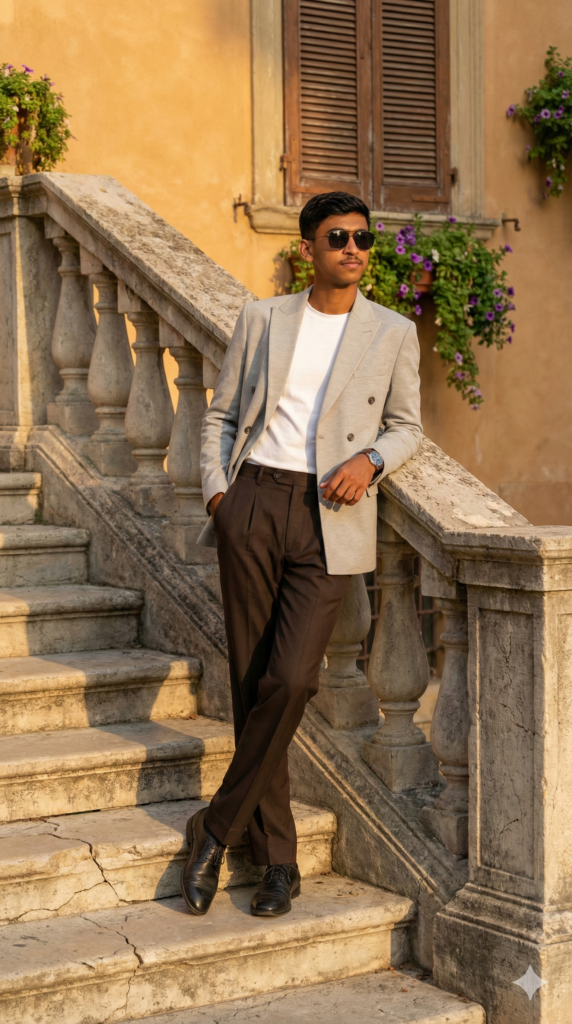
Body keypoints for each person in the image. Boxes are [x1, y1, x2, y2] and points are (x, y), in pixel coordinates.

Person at [180, 190, 422, 919]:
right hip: (253, 502)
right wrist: (220, 496)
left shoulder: (393, 332)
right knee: (253, 683)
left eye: (363, 239)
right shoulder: (263, 318)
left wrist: (372, 461)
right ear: (309, 248)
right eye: (338, 237)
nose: (353, 249)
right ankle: (279, 864)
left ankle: (215, 830)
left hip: (331, 518)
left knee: (290, 681)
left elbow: (409, 426)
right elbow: (222, 414)